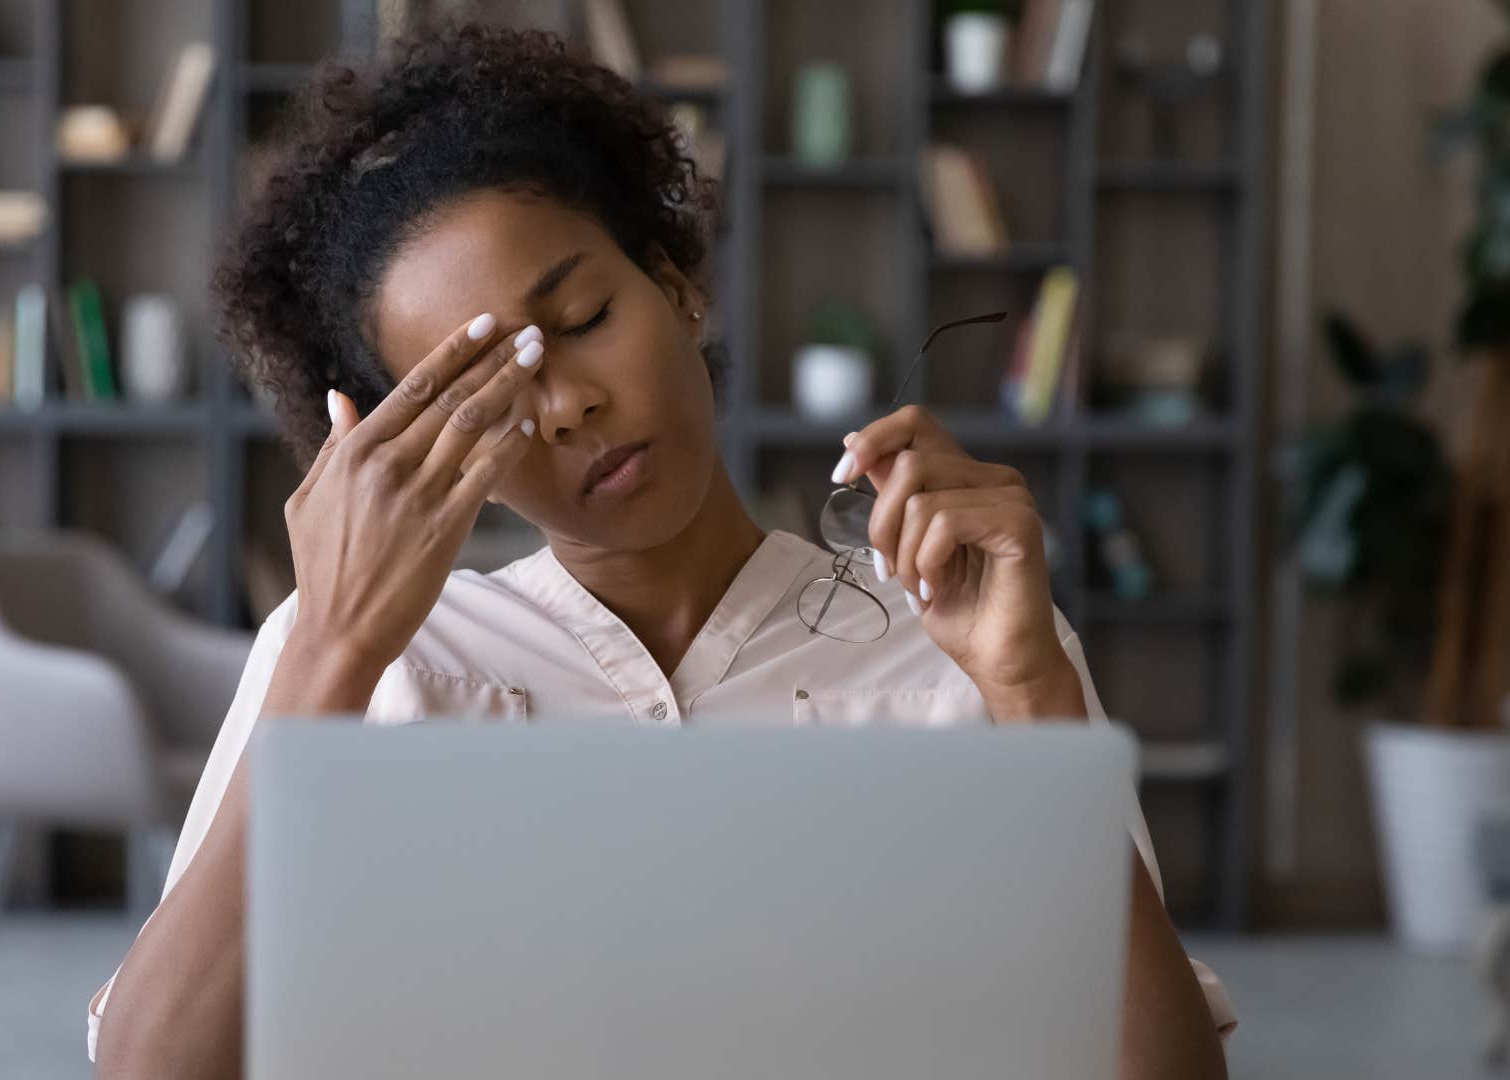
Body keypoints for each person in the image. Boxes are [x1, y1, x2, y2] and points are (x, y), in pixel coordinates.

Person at [90, 23, 1233, 1079]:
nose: (568, 407)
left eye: (581, 321)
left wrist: (1030, 691)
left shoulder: (970, 643)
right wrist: (332, 651)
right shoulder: (356, 668)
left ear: (676, 285)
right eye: (484, 395)